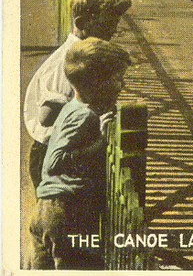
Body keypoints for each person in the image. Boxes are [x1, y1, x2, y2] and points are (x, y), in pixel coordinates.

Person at [30, 37, 131, 269]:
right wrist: (101, 142)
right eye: (117, 79)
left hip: (49, 209)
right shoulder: (84, 116)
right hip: (65, 211)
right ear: (96, 83)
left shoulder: (73, 108)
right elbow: (55, 162)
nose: (122, 85)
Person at [23, 0, 132, 191]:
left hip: (65, 148)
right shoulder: (70, 62)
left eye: (115, 25)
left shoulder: (84, 56)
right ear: (82, 24)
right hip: (51, 152)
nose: (112, 32)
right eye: (107, 25)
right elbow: (46, 117)